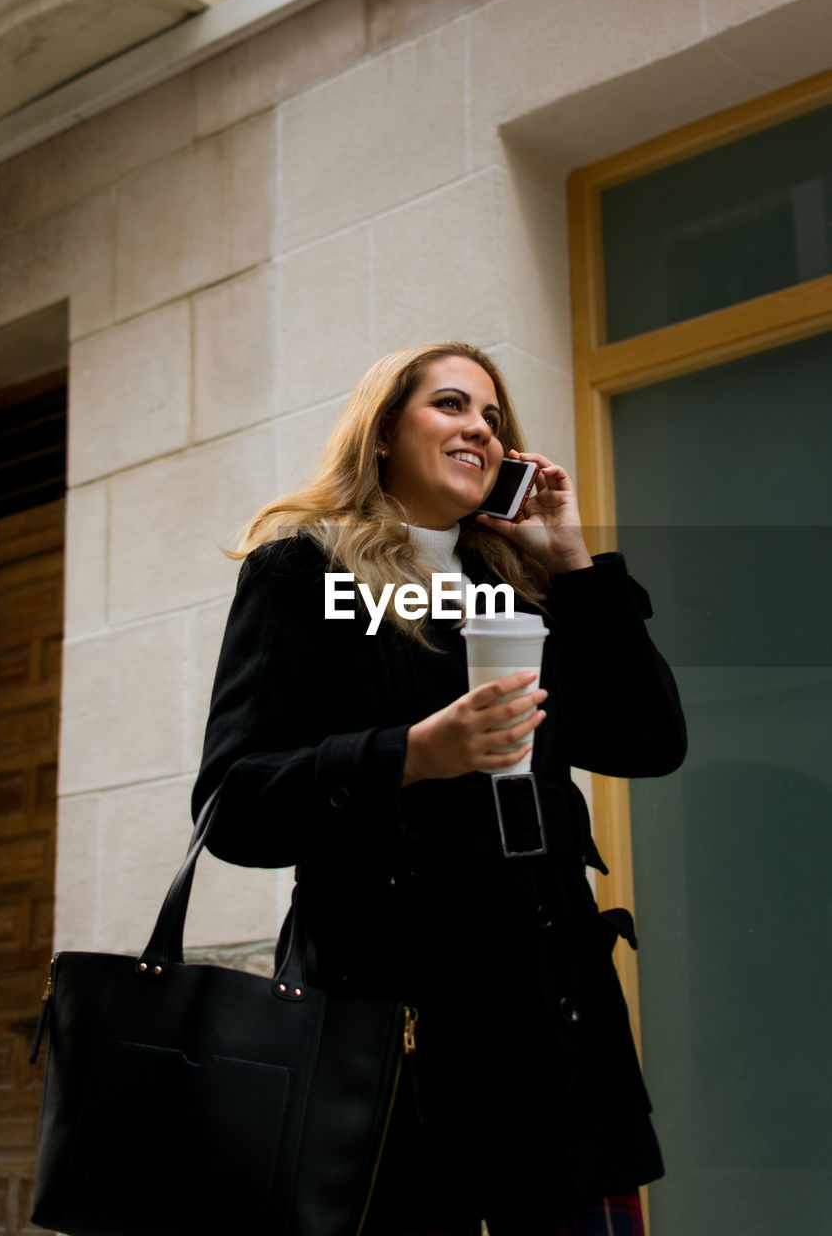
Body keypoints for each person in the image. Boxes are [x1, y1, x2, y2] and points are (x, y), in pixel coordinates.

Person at [192, 342, 687, 1236]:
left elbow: (649, 741)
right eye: (452, 406)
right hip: (401, 1044)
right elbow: (235, 802)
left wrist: (571, 561)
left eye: (492, 417)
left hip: (558, 1033)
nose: (480, 430)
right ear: (383, 433)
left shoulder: (523, 589)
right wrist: (410, 754)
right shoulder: (306, 575)